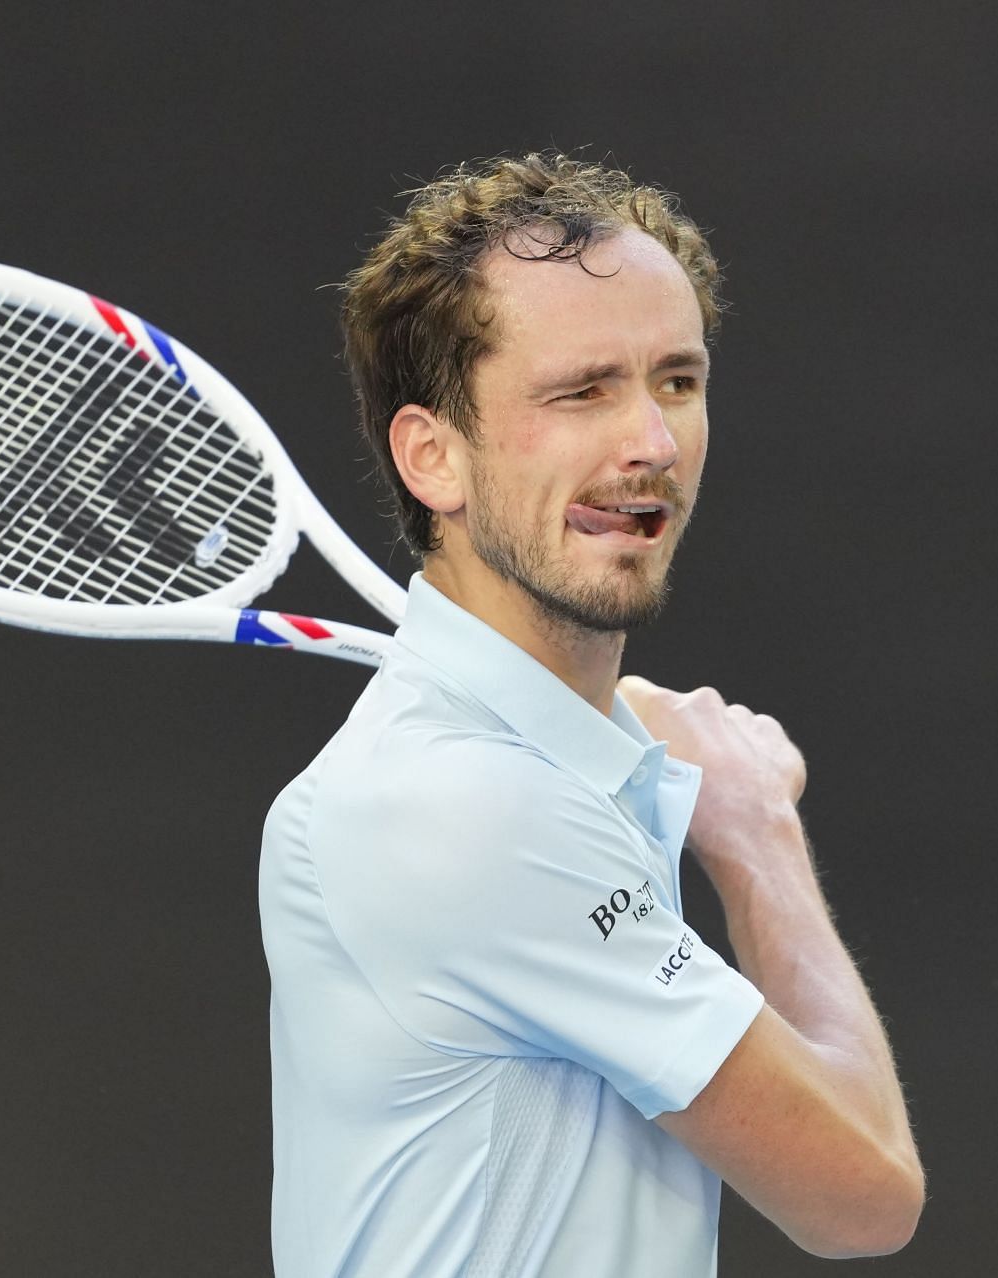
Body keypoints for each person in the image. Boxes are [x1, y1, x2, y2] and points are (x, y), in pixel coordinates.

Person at [259, 152, 923, 1276]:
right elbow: (860, 1193)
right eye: (582, 392)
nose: (653, 445)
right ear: (433, 455)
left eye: (676, 380)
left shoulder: (529, 773)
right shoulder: (462, 807)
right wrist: (756, 831)